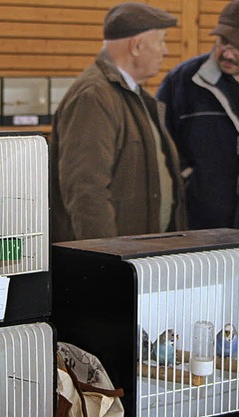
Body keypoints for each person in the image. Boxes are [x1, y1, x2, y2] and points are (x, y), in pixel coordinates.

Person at [50, 2, 187, 242]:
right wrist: (105, 260)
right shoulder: (94, 96)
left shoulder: (129, 94)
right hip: (116, 262)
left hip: (138, 255)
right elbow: (86, 190)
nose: (165, 50)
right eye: (161, 41)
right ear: (136, 46)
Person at [156, 0, 239, 230]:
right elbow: (159, 142)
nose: (227, 53)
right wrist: (188, 178)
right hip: (197, 225)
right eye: (222, 41)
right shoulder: (181, 81)